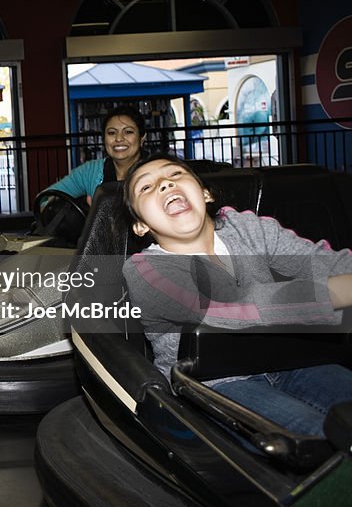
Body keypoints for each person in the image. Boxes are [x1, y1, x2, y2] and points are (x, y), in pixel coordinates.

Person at [122, 153, 352, 437]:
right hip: (211, 381)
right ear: (141, 226)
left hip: (287, 359)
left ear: (205, 194)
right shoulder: (145, 270)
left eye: (176, 175)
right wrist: (338, 292)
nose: (165, 184)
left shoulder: (247, 228)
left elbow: (321, 262)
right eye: (146, 187)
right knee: (312, 438)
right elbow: (229, 306)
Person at [42, 105, 147, 205]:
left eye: (128, 132)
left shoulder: (158, 172)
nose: (119, 138)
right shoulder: (91, 172)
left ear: (142, 138)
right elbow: (44, 198)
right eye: (111, 133)